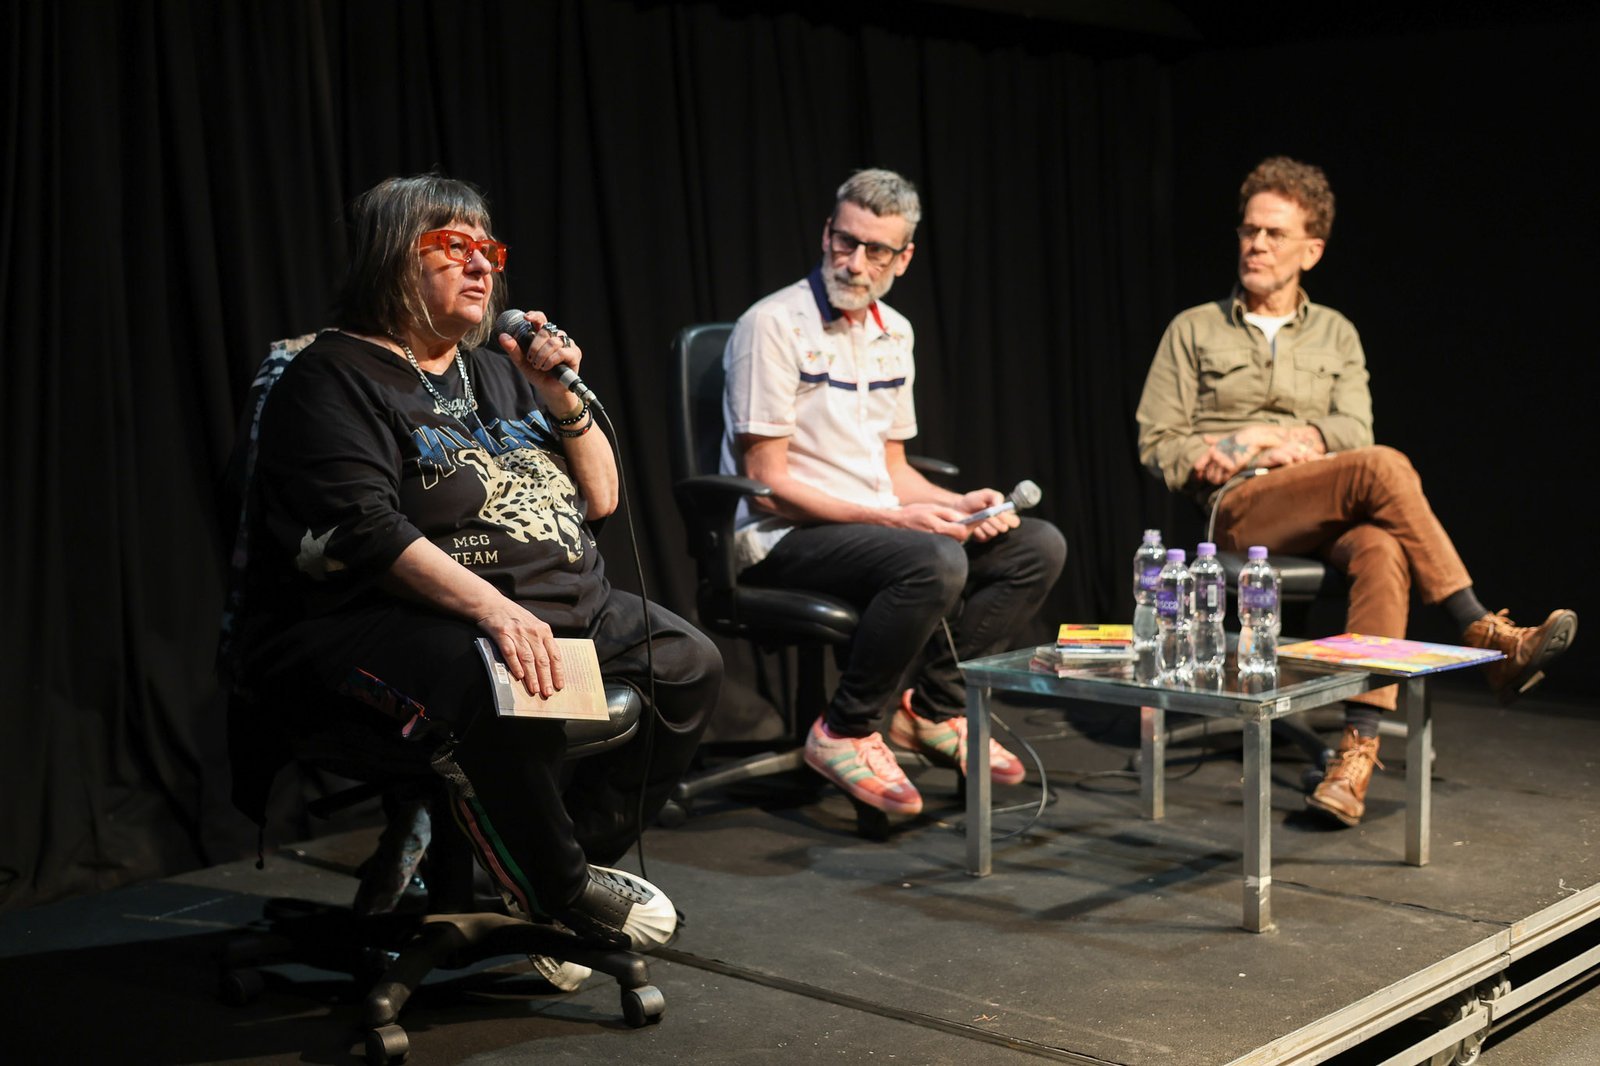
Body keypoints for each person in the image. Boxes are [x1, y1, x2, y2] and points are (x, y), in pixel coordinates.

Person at [228, 174, 721, 986]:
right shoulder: (328, 379)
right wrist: (498, 612)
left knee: (686, 662)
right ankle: (561, 890)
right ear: (393, 259)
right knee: (492, 681)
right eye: (453, 248)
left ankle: (542, 873)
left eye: (488, 250)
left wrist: (557, 390)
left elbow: (600, 496)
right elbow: (370, 531)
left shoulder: (497, 371)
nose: (482, 267)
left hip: (558, 604)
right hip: (387, 619)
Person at [1135, 156, 1577, 828]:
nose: (1255, 244)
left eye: (1274, 234)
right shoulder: (1194, 329)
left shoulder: (1336, 333)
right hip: (1241, 508)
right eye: (1249, 230)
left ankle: (1354, 757)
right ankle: (1481, 628)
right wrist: (1255, 440)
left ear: (1310, 250)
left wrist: (1306, 437)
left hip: (1324, 502)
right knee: (1382, 466)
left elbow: (1352, 429)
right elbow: (1158, 443)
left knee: (1381, 546)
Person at [722, 168, 1067, 817]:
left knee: (1035, 546)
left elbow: (892, 467)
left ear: (903, 258)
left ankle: (931, 712)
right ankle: (846, 729)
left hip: (871, 528)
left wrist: (955, 504)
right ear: (826, 233)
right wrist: (900, 520)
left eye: (875, 250)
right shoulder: (772, 325)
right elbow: (766, 487)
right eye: (844, 242)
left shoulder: (895, 334)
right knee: (934, 559)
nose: (854, 263)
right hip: (783, 537)